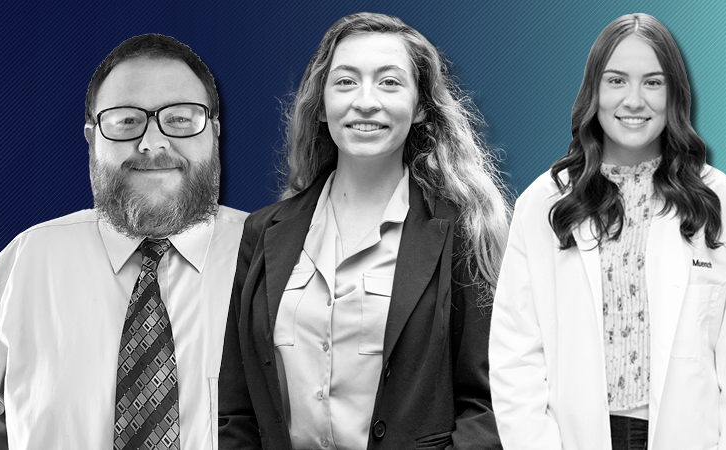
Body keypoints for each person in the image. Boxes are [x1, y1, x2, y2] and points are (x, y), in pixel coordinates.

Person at [218, 12, 510, 450]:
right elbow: (237, 409)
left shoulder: (461, 233)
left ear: (421, 109)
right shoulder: (261, 233)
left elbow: (490, 403)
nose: (366, 101)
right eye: (346, 81)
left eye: (390, 82)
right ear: (320, 106)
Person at [489, 13, 726, 449]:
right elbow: (515, 353)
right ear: (593, 93)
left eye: (653, 82)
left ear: (674, 94)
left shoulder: (720, 201)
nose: (634, 100)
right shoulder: (544, 203)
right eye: (616, 80)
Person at [0, 34, 247, 449]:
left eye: (180, 119)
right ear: (91, 140)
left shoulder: (273, 255)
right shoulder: (25, 265)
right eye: (125, 121)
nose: (152, 143)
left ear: (214, 133)